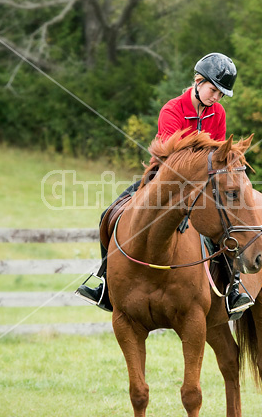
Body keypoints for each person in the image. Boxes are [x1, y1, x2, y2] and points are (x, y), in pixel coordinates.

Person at [76, 53, 252, 318]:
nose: (216, 98)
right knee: (109, 213)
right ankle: (104, 282)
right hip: (163, 179)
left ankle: (233, 288)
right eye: (213, 90)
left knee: (225, 223)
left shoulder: (218, 113)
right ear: (198, 81)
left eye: (221, 94)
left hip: (202, 184)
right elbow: (170, 156)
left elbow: (217, 155)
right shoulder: (172, 109)